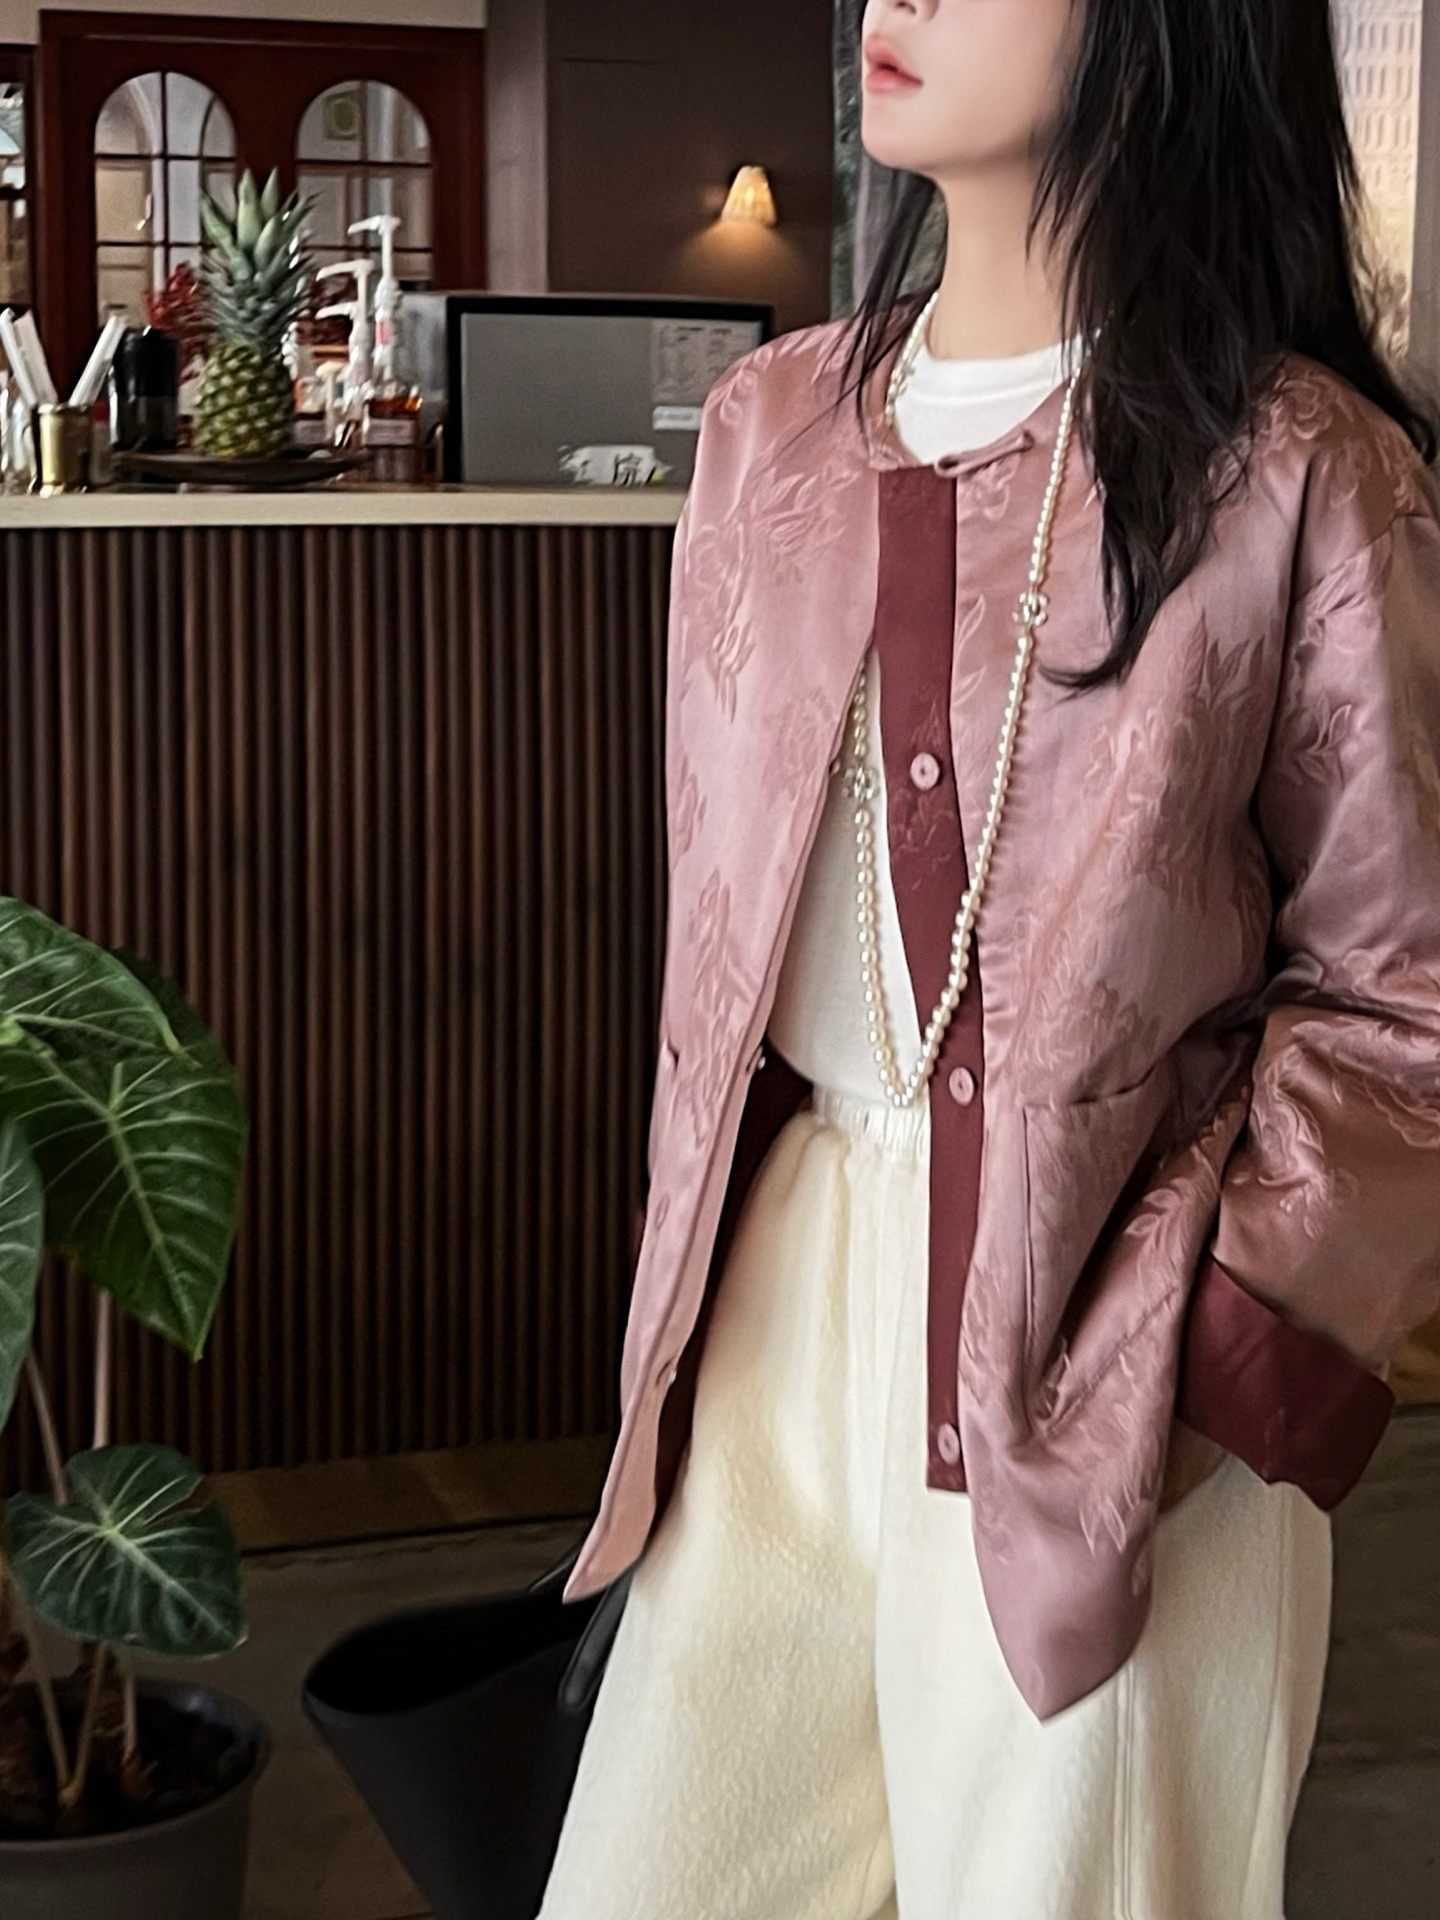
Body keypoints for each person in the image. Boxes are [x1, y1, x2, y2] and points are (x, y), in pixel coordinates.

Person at [537, 2, 1440, 1915]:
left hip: (1111, 1348)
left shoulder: (1299, 469)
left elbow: (1407, 998)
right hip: (777, 1321)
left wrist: (1212, 1359)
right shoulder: (767, 432)